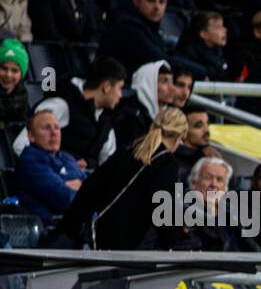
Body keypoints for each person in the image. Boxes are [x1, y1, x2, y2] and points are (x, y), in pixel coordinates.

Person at [57, 106, 188, 250]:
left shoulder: (127, 150)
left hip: (99, 235)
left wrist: (68, 228)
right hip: (127, 245)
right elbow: (162, 209)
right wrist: (179, 236)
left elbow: (91, 186)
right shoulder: (167, 162)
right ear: (179, 137)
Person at [16, 109, 86, 226]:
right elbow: (64, 198)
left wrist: (66, 184)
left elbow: (94, 187)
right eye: (47, 128)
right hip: (51, 231)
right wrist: (75, 186)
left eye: (57, 128)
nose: (54, 133)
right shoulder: (30, 161)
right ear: (31, 136)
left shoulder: (67, 157)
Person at [96, 0, 166, 75]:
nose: (157, 7)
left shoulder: (152, 28)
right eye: (151, 0)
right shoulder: (128, 26)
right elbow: (157, 59)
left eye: (161, 2)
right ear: (137, 2)